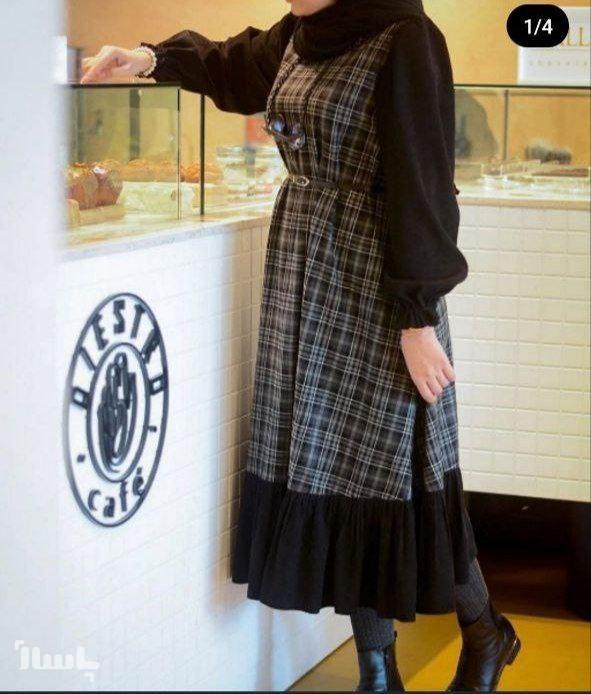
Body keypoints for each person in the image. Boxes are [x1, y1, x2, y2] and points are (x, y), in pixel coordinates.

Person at [82, 0, 521, 690]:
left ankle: (484, 631)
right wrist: (149, 59)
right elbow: (232, 65)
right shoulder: (302, 33)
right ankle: (378, 668)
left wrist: (416, 319)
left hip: (378, 281)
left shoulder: (405, 37)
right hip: (305, 270)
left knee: (398, 469)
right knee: (333, 466)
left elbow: (424, 181)